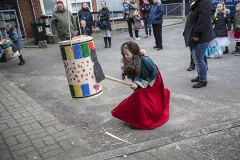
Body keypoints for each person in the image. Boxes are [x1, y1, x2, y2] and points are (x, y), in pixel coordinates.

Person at [111, 41, 170, 130]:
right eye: (124, 55)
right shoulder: (130, 63)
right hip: (144, 82)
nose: (125, 57)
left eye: (127, 54)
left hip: (154, 82)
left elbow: (154, 74)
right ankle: (134, 116)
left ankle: (143, 121)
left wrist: (141, 85)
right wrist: (136, 85)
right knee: (137, 95)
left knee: (140, 96)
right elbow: (136, 78)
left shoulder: (145, 60)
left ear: (134, 52)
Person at [184, 0, 213, 88]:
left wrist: (197, 33)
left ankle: (203, 80)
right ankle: (200, 76)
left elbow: (203, 19)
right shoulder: (197, 3)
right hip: (193, 36)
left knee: (199, 59)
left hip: (200, 37)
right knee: (196, 58)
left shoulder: (203, 2)